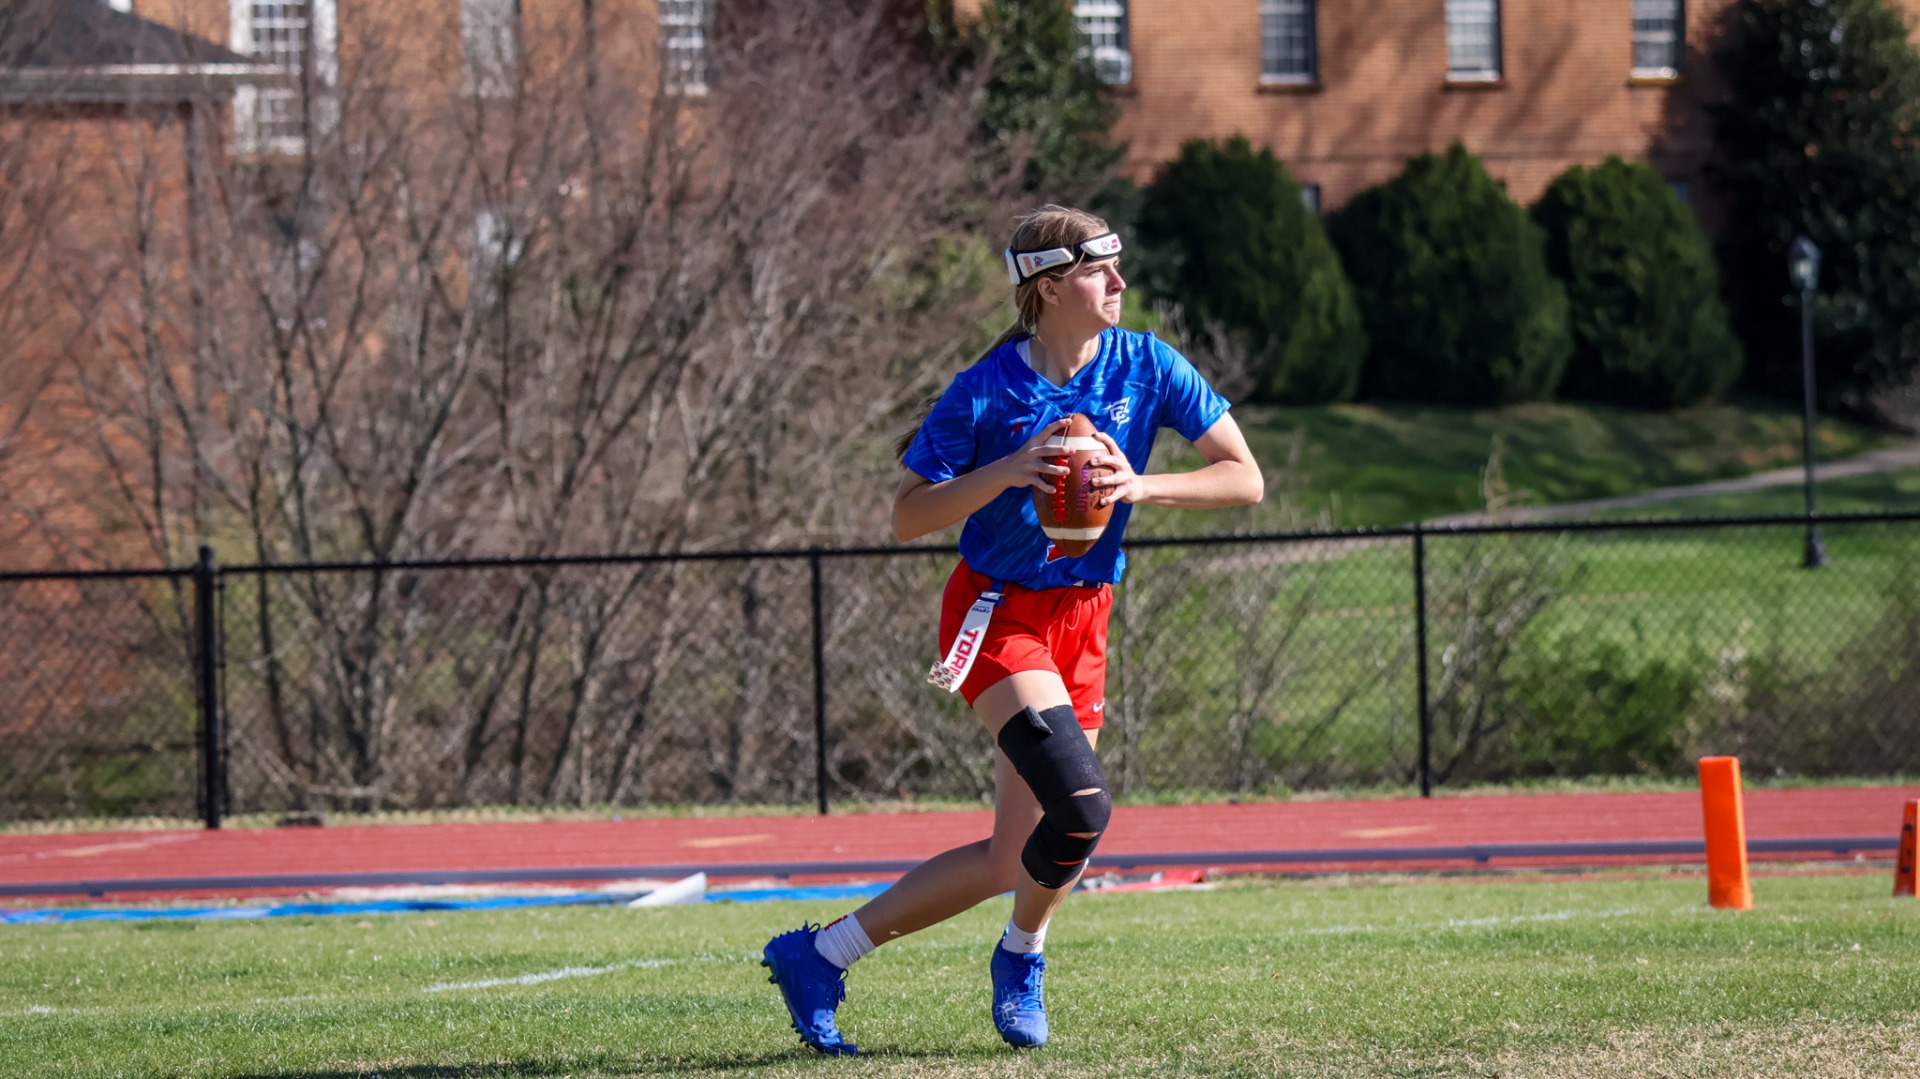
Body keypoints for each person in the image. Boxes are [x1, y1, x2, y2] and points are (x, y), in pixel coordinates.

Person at [761, 204, 1264, 1054]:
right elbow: (907, 515)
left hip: (1085, 614)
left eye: (1117, 267)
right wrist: (1005, 469)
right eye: (1102, 270)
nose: (1120, 283)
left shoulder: (1148, 363)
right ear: (1049, 284)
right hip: (999, 611)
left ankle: (820, 954)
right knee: (1084, 805)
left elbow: (1244, 479)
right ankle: (1023, 957)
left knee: (1014, 857)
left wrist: (1139, 485)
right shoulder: (989, 388)